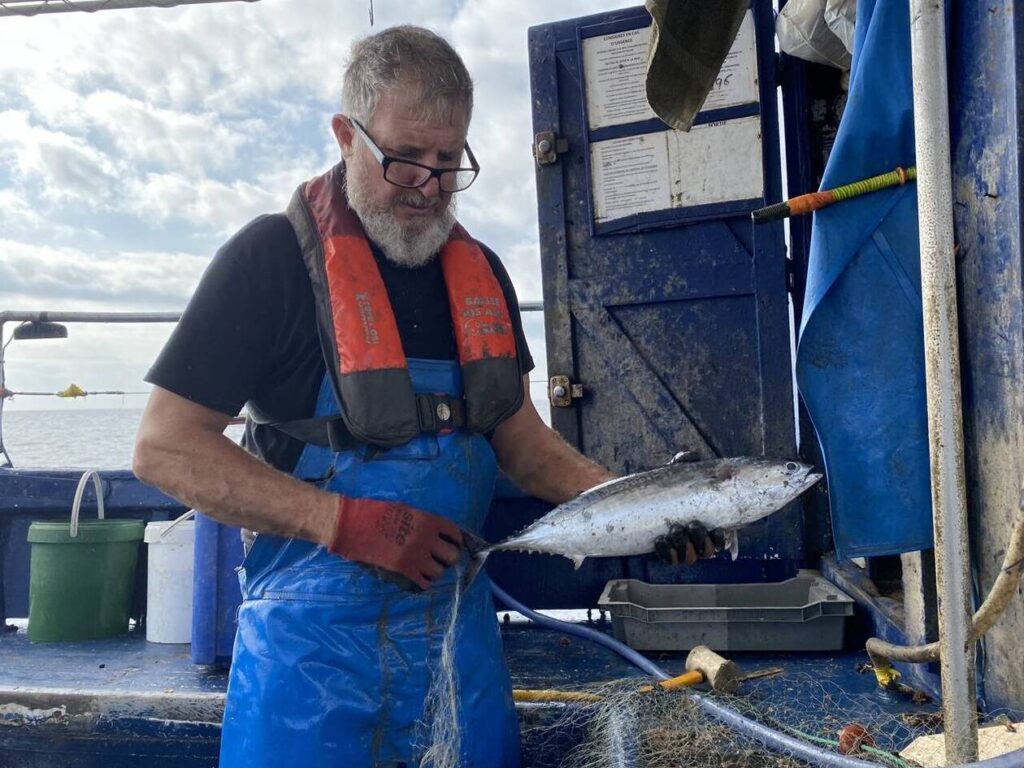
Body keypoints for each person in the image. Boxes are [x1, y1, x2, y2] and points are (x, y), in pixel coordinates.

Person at [134, 25, 717, 768]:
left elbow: (525, 446)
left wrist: (643, 507)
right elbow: (163, 446)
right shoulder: (267, 260)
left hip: (458, 649)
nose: (429, 186)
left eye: (449, 162)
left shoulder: (484, 273)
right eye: (405, 159)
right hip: (311, 671)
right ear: (348, 136)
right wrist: (339, 520)